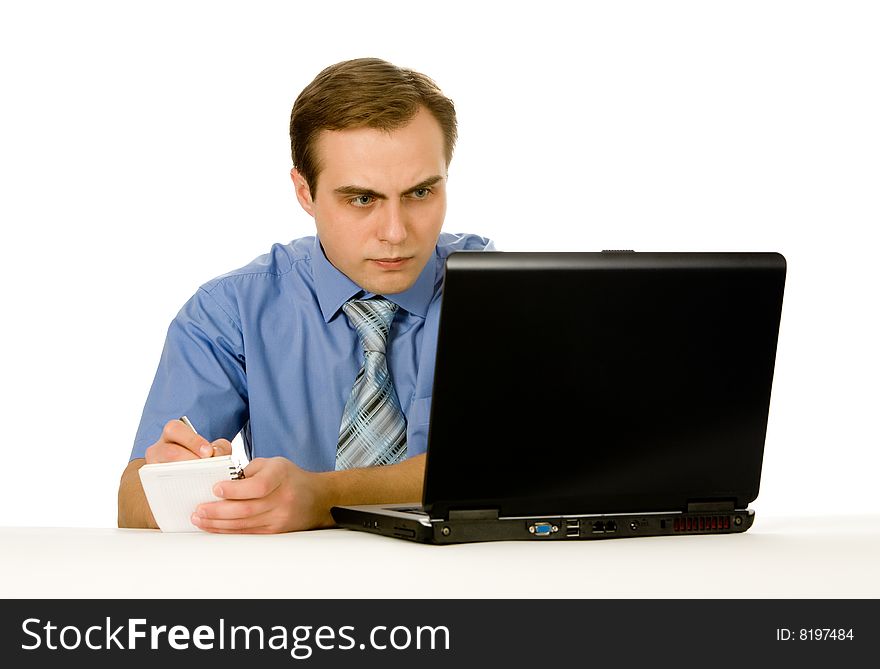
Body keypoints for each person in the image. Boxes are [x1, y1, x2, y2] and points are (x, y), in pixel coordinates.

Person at [117, 58, 493, 534]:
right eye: (362, 198)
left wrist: (324, 496)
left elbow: (516, 469)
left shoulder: (498, 295)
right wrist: (180, 483)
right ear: (304, 192)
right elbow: (132, 502)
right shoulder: (229, 312)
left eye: (420, 193)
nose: (396, 232)